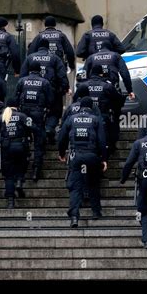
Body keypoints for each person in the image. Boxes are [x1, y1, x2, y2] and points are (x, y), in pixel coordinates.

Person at [58, 96, 108, 227]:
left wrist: (62, 153)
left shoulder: (71, 119)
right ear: (91, 107)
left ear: (80, 106)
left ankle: (74, 216)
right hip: (92, 155)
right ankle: (96, 212)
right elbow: (102, 141)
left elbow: (62, 137)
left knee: (75, 187)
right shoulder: (96, 119)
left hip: (76, 155)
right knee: (93, 183)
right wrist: (103, 158)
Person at [21, 38, 71, 144]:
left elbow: (22, 76)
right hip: (52, 90)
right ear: (48, 47)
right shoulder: (55, 58)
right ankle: (49, 128)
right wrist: (64, 88)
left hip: (32, 91)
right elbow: (62, 75)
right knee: (55, 112)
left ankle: (35, 134)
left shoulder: (30, 58)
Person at [16, 61, 53, 182]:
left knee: (23, 138)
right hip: (38, 114)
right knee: (38, 142)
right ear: (40, 70)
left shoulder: (22, 81)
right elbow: (50, 100)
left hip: (24, 114)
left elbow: (16, 98)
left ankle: (24, 161)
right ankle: (36, 169)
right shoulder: (45, 82)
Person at [0, 98, 31, 209]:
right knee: (21, 165)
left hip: (6, 148)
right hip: (20, 145)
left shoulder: (1, 117)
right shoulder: (23, 116)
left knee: (9, 175)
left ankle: (11, 201)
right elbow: (30, 128)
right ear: (17, 106)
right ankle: (19, 182)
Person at [84, 64, 124, 155]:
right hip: (104, 116)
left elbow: (76, 100)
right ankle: (110, 148)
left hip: (86, 117)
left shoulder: (84, 85)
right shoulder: (107, 86)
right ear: (101, 74)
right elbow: (118, 99)